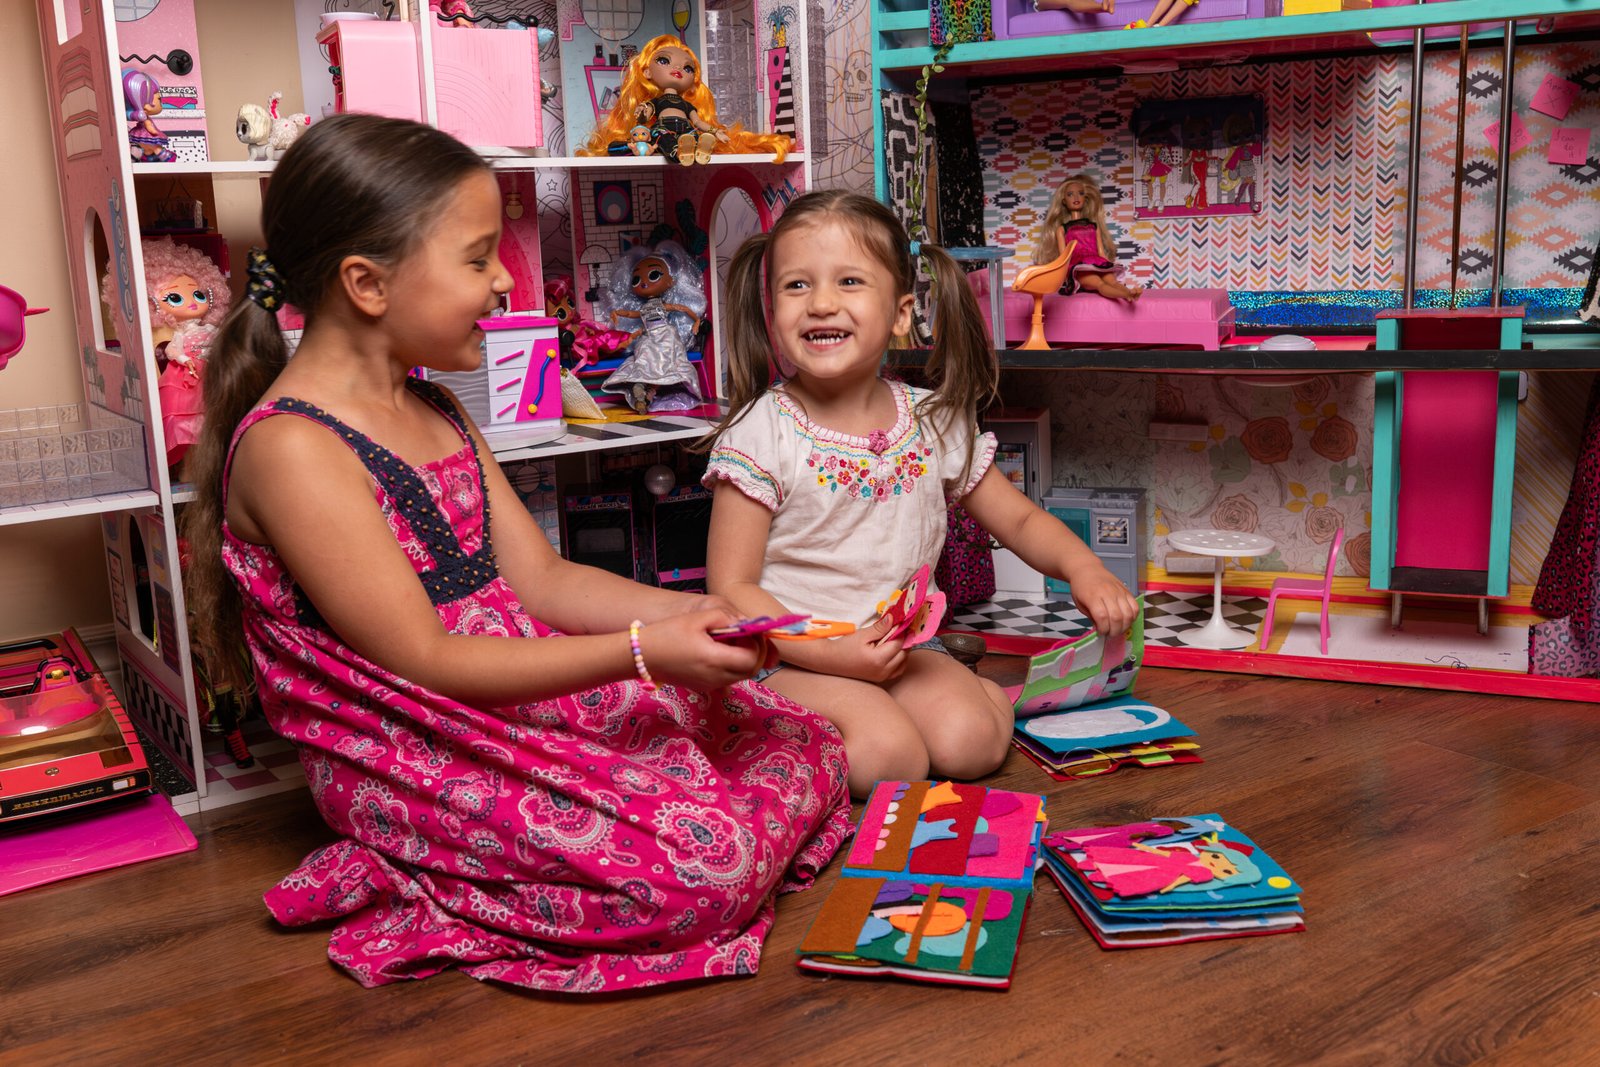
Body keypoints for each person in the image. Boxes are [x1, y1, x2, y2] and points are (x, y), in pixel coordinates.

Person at [180, 114, 852, 993]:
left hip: (515, 687)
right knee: (708, 869)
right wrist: (646, 655)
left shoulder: (435, 407)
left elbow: (542, 578)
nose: (505, 281)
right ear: (366, 283)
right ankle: (467, 865)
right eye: (477, 257)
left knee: (804, 734)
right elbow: (426, 660)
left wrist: (689, 615)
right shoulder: (293, 449)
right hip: (422, 737)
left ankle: (671, 817)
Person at [702, 190, 1140, 797]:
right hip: (788, 660)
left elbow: (1016, 521)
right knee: (889, 760)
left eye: (849, 281)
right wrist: (834, 655)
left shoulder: (932, 422)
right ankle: (759, 725)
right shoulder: (763, 432)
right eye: (796, 286)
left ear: (902, 312)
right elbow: (730, 593)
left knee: (973, 744)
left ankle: (957, 696)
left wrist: (1084, 568)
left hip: (903, 650)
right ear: (771, 307)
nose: (821, 303)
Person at [575, 35, 791, 165]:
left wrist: (715, 132)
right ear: (647, 72)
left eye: (687, 67)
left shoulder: (687, 106)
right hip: (664, 130)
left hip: (686, 130)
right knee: (662, 139)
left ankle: (699, 149)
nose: (677, 68)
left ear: (694, 78)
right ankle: (678, 152)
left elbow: (698, 122)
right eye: (664, 61)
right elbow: (647, 113)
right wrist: (642, 112)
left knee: (694, 135)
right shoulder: (658, 102)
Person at [1033, 173, 1141, 302]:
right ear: (1064, 201)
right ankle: (1126, 295)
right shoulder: (1062, 229)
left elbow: (1100, 251)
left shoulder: (1093, 226)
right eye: (1070, 194)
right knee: (1099, 285)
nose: (1076, 197)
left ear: (1086, 198)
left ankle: (1129, 294)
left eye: (1080, 193)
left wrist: (1109, 264)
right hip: (1080, 267)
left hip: (1098, 262)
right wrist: (1063, 276)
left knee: (1114, 282)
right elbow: (1064, 257)